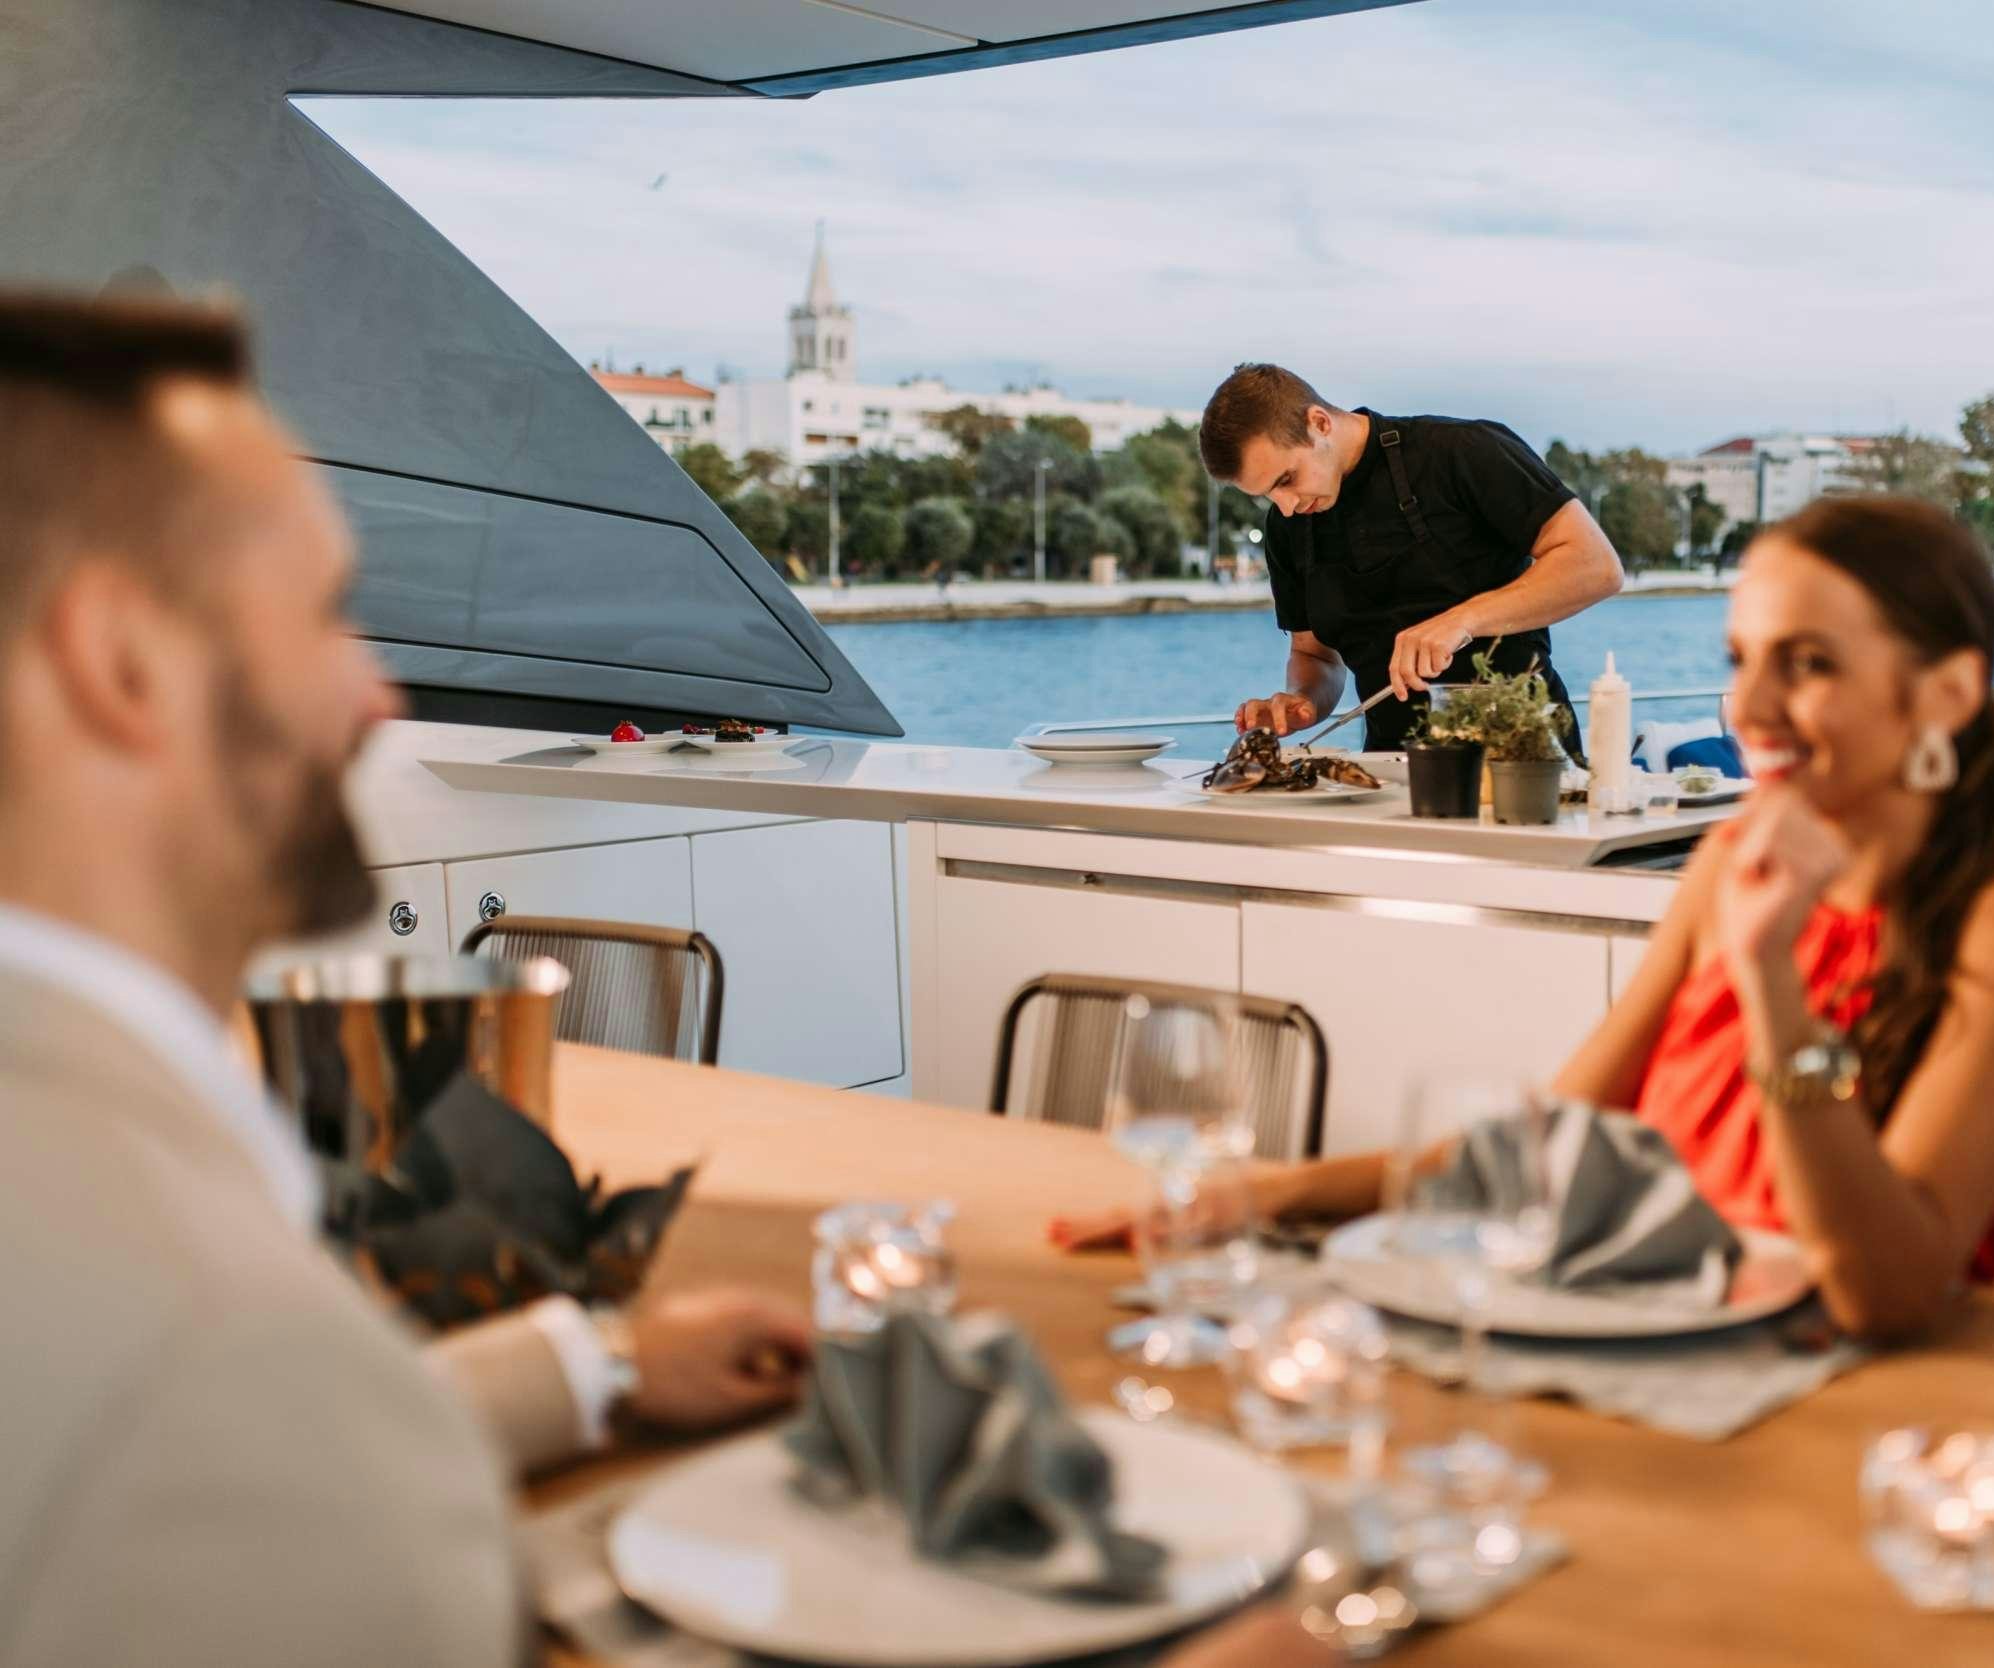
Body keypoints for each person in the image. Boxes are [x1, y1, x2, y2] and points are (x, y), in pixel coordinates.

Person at [0, 294, 1318, 1668]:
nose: (372, 699)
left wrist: (594, 1369)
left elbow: (259, 1463)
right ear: (119, 661)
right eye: (327, 614)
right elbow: (240, 1431)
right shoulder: (207, 1323)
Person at [1057, 495, 1994, 1340]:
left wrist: (1767, 980)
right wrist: (1262, 1198)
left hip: (1849, 1408)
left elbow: (1883, 1293)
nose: (1748, 712)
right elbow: (1544, 1145)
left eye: (1806, 665)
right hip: (1653, 1341)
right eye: (1741, 660)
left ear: (1943, 692)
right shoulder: (1730, 873)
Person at [1200, 363, 1624, 753]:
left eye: (1287, 479)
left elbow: (1596, 565)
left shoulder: (1463, 451)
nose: (1287, 506)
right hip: (1391, 771)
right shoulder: (1287, 526)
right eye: (1269, 495)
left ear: (1319, 423)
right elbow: (1315, 656)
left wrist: (1463, 620)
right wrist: (1302, 701)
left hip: (1522, 755)